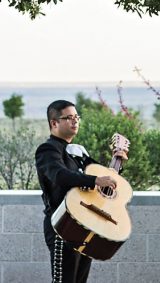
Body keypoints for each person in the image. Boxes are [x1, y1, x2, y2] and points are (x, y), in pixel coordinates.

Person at [35, 99, 120, 283]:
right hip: (62, 227)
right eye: (69, 118)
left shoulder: (79, 151)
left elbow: (103, 180)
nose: (75, 121)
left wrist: (117, 162)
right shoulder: (47, 150)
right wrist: (94, 180)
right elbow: (60, 175)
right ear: (54, 123)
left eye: (76, 117)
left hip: (84, 225)